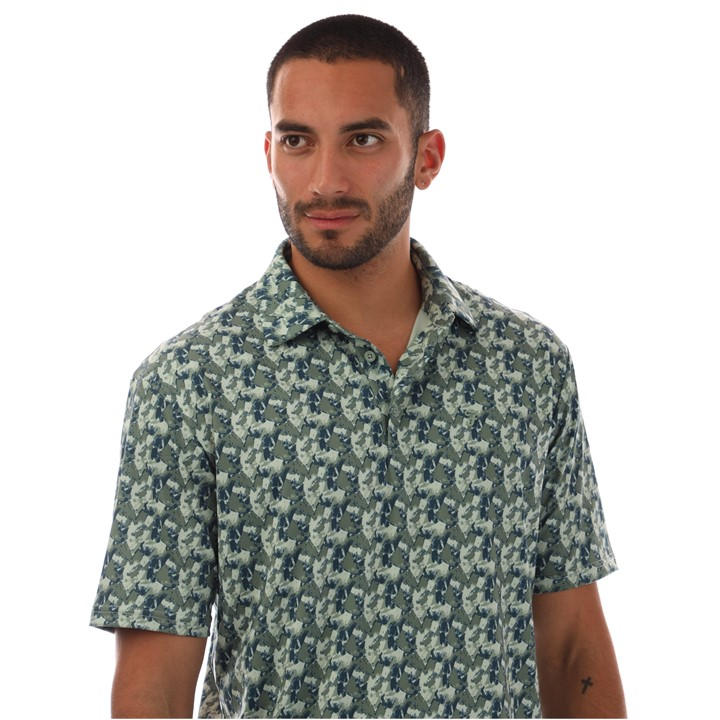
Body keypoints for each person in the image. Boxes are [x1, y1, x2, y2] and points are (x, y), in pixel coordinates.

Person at [89, 14, 627, 719]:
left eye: (363, 139)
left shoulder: (527, 367)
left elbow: (571, 646)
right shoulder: (190, 383)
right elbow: (153, 684)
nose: (325, 181)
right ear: (269, 152)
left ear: (427, 157)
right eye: (297, 141)